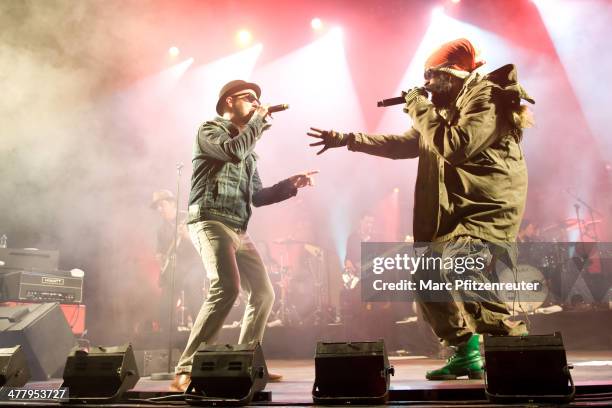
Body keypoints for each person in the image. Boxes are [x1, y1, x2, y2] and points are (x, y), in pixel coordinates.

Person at [308, 38, 534, 380]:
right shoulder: (444, 109)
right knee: (426, 274)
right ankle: (465, 350)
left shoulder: (485, 97)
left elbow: (457, 147)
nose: (425, 85)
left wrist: (417, 106)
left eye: (430, 77)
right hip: (455, 207)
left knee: (462, 264)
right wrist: (349, 139)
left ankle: (514, 346)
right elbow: (408, 143)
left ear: (450, 75)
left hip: (486, 204)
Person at [171, 80, 317, 391]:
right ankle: (186, 367)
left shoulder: (249, 151)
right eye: (249, 98)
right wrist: (257, 123)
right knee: (226, 287)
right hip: (210, 219)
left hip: (239, 228)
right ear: (228, 102)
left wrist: (291, 184)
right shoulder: (209, 130)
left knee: (264, 293)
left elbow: (259, 196)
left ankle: (246, 362)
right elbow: (233, 152)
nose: (255, 102)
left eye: (257, 100)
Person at [150, 189, 204, 332]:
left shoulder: (189, 217)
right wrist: (160, 258)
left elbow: (204, 243)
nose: (160, 209)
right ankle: (170, 337)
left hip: (194, 265)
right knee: (165, 303)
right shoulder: (161, 230)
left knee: (192, 285)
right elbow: (159, 252)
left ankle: (201, 334)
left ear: (173, 203)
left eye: (162, 205)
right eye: (157, 208)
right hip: (175, 269)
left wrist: (188, 237)